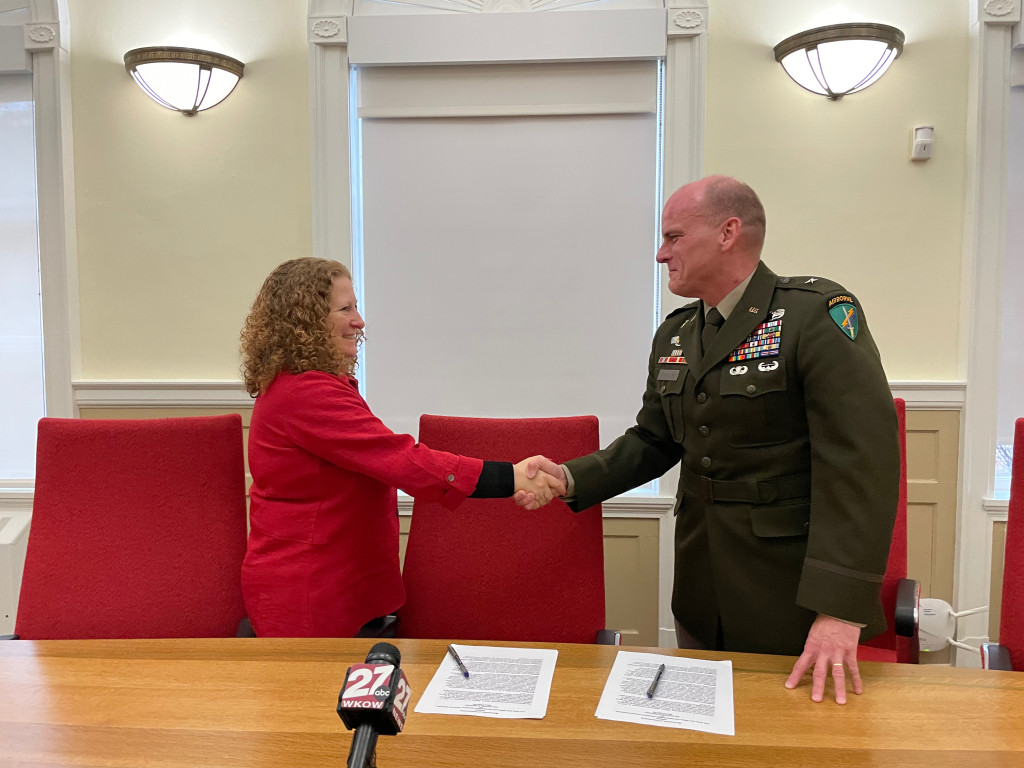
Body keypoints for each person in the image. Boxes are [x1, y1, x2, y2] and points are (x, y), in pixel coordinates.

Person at [520, 176, 898, 704]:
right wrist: (570, 477)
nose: (660, 253)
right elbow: (654, 440)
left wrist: (838, 610)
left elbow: (862, 467)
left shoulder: (813, 315)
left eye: (674, 237)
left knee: (790, 742)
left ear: (727, 232)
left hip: (789, 596)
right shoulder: (675, 333)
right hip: (701, 588)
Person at [240, 257, 564, 637]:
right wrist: (510, 478)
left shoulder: (307, 386)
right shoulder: (304, 394)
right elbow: (401, 460)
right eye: (345, 309)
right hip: (308, 598)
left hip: (340, 588)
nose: (359, 321)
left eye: (355, 307)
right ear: (305, 322)